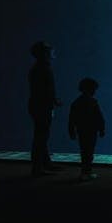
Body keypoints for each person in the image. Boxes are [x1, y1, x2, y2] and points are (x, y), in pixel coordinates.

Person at [28, 40, 62, 177]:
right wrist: (53, 100)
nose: (53, 52)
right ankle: (37, 168)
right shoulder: (43, 68)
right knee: (41, 137)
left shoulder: (39, 68)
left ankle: (45, 163)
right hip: (42, 106)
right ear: (45, 53)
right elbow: (45, 90)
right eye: (50, 50)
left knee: (41, 136)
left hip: (39, 105)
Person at [68, 77, 105, 181]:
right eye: (94, 89)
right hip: (92, 130)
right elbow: (99, 117)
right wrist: (102, 129)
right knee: (89, 152)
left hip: (81, 130)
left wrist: (71, 130)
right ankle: (87, 172)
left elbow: (72, 118)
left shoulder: (76, 102)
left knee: (84, 151)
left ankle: (85, 172)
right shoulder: (93, 102)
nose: (94, 92)